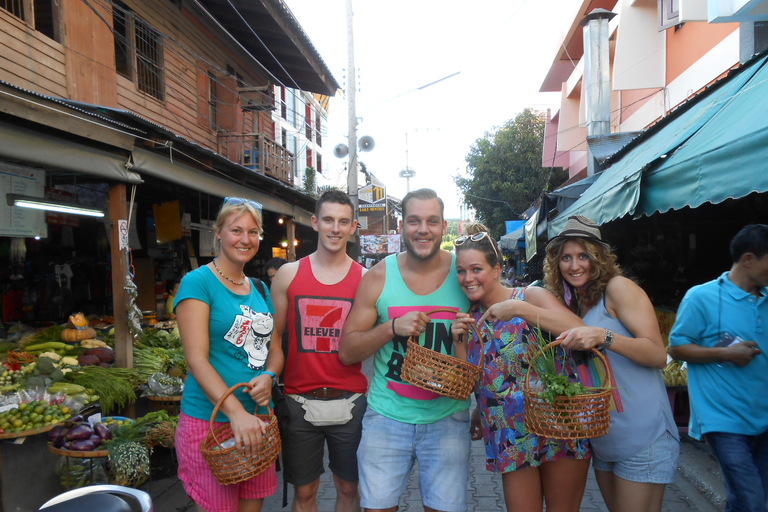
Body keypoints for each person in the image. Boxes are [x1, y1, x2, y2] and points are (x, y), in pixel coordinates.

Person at [339, 188, 471, 512]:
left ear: (443, 227)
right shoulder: (379, 276)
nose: (422, 229)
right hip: (386, 418)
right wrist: (390, 328)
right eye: (414, 221)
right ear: (401, 226)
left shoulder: (464, 276)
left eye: (432, 221)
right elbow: (347, 351)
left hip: (448, 418)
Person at [449, 222, 589, 512]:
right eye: (461, 271)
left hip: (557, 423)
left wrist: (519, 310)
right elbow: (470, 381)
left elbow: (580, 330)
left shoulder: (528, 297)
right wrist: (458, 341)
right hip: (509, 433)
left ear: (497, 269)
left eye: (476, 269)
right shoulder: (470, 318)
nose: (467, 278)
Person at [543, 215, 679, 512]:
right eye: (566, 257)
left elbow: (657, 355)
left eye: (583, 256)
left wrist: (603, 335)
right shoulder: (577, 303)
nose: (575, 265)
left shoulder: (618, 288)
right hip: (605, 438)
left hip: (643, 435)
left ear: (599, 258)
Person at [174, 197, 281, 512]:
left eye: (252, 232)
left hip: (258, 423)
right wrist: (236, 414)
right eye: (236, 230)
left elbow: (274, 350)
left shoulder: (260, 289)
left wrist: (269, 376)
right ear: (218, 233)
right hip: (212, 425)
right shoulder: (198, 282)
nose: (245, 239)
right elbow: (196, 360)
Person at [269, 190, 368, 512]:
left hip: (351, 402)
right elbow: (274, 338)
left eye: (342, 221)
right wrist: (269, 380)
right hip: (298, 402)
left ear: (353, 226)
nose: (335, 228)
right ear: (315, 222)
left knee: (349, 488)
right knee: (305, 493)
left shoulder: (366, 280)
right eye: (328, 220)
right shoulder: (288, 275)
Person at [668, 224, 768, 512]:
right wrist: (726, 353)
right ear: (749, 259)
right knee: (752, 502)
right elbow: (675, 348)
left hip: (763, 416)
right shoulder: (701, 297)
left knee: (747, 499)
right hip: (723, 419)